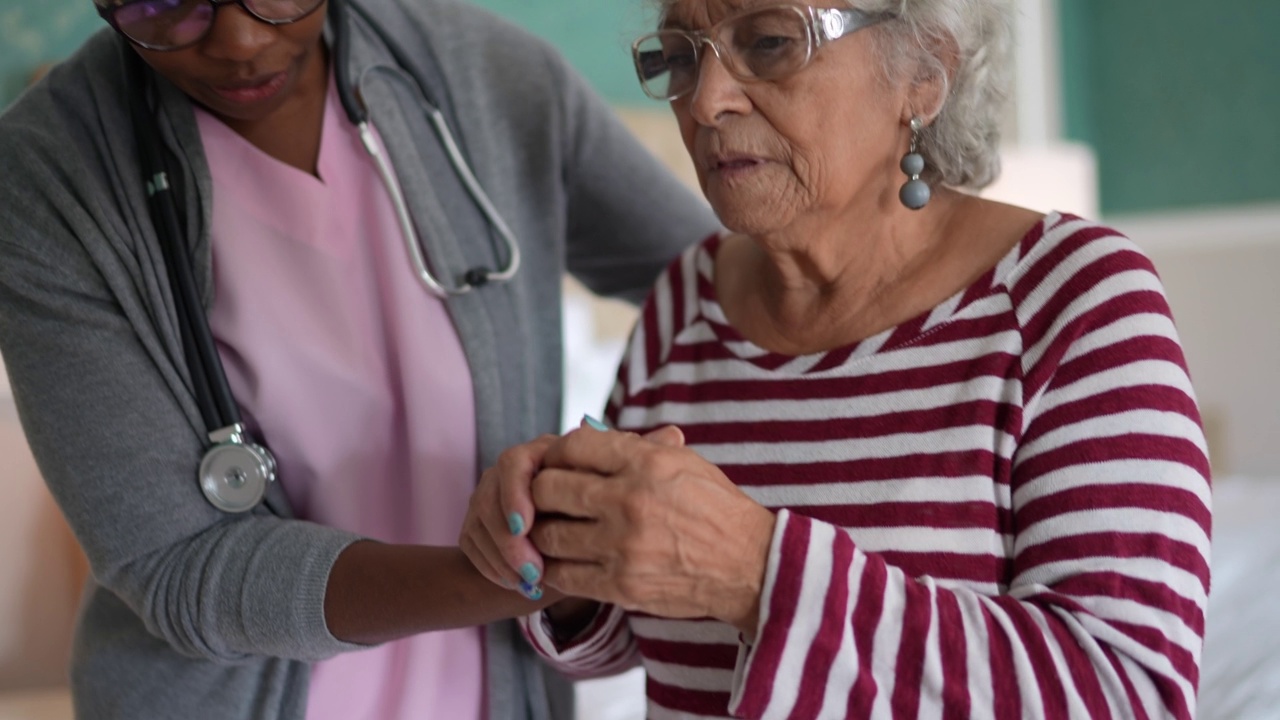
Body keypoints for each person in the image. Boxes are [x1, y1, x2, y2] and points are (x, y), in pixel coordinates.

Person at [461, 0, 1213, 717]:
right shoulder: (684, 303)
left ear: (922, 73)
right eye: (683, 56)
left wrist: (758, 575)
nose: (705, 102)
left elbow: (1129, 692)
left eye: (769, 42)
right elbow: (646, 631)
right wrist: (561, 548)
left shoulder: (1073, 298)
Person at [0, 0, 720, 718]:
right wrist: (547, 570)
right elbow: (179, 566)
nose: (241, 41)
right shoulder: (48, 179)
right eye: (167, 2)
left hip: (503, 694)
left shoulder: (492, 78)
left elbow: (737, 290)